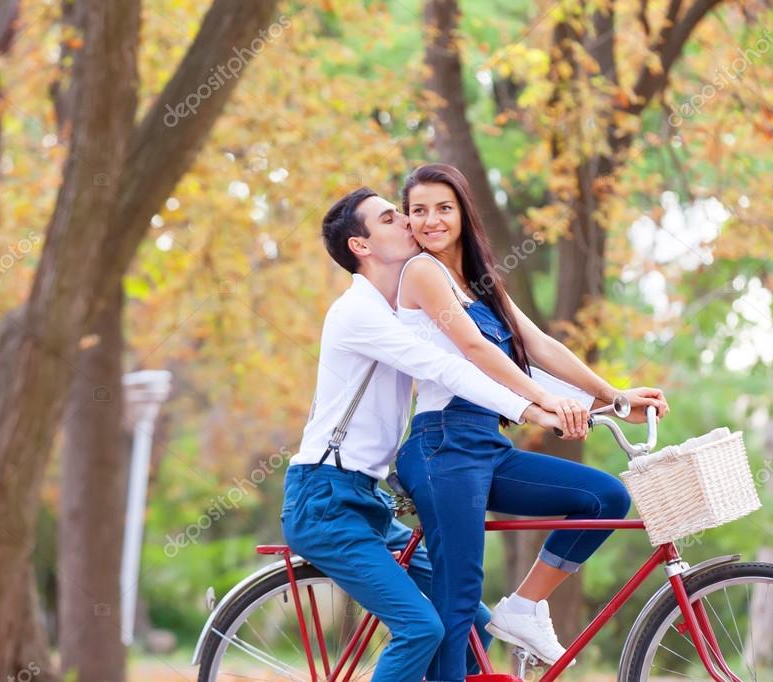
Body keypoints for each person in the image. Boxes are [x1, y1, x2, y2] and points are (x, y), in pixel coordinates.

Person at [281, 187, 587, 682]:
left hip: (367, 499)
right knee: (422, 628)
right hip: (325, 498)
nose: (408, 221)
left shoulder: (403, 308)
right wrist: (533, 409)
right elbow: (447, 367)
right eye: (389, 218)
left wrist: (597, 399)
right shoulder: (358, 313)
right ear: (361, 246)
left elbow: (512, 348)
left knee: (475, 627)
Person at [394, 164, 670, 681]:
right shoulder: (422, 272)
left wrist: (612, 395)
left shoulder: (479, 282)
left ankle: (522, 608)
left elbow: (539, 345)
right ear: (407, 221)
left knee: (604, 498)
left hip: (484, 445)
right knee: (457, 602)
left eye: (443, 208)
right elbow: (472, 349)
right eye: (419, 210)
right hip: (442, 446)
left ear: (463, 212)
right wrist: (543, 401)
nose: (431, 220)